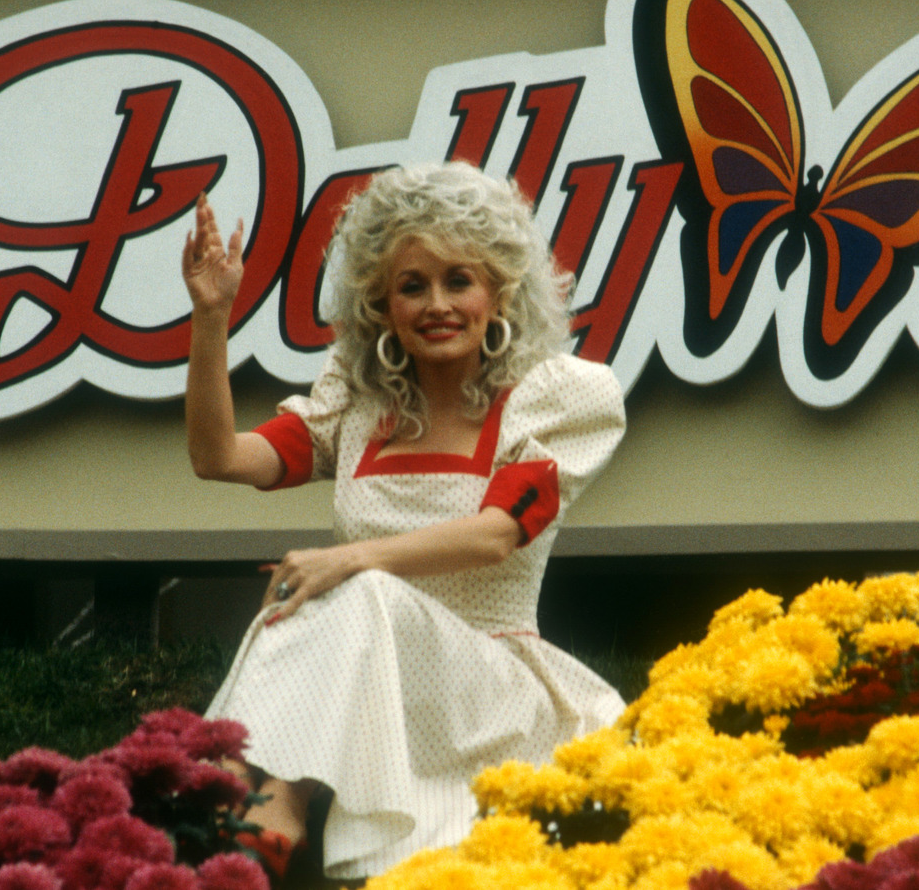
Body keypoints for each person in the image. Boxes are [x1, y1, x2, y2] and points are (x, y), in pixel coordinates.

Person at [181, 162, 627, 880]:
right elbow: (220, 457)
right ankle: (250, 819)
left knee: (349, 589)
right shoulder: (356, 406)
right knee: (332, 596)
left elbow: (495, 535)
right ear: (381, 306)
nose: (436, 304)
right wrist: (210, 319)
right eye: (411, 286)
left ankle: (264, 807)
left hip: (495, 686)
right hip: (372, 675)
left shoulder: (557, 397)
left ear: (500, 291)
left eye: (459, 280)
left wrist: (350, 558)